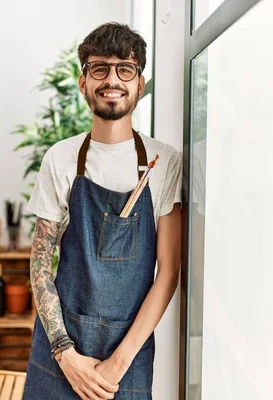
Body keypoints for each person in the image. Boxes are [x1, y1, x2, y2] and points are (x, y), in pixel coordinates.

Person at [22, 22, 182, 400]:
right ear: (83, 83)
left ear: (140, 84)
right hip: (60, 349)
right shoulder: (60, 158)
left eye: (125, 69)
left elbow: (169, 272)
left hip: (128, 354)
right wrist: (65, 355)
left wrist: (118, 362)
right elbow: (40, 263)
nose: (112, 80)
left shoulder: (164, 162)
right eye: (100, 68)